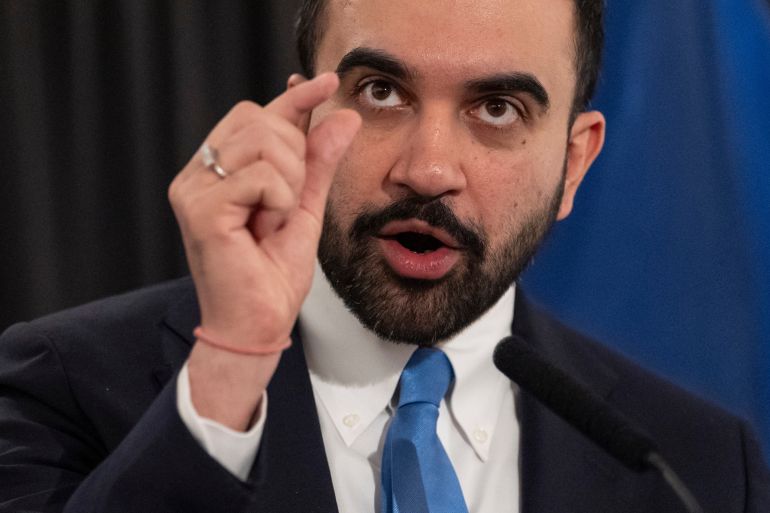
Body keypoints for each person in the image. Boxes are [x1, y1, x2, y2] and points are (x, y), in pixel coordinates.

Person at [1, 0, 768, 512]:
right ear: (302, 118)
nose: (428, 169)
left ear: (573, 162)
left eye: (497, 109)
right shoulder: (61, 384)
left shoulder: (697, 467)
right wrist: (231, 365)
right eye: (380, 92)